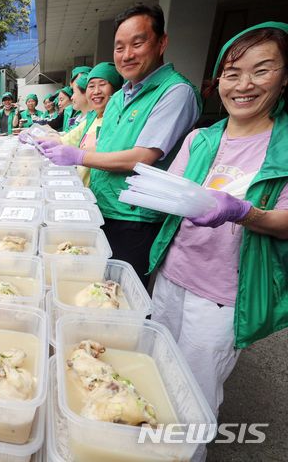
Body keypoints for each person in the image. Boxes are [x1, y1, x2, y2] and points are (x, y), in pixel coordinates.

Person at [148, 23, 288, 426]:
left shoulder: (282, 147)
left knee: (194, 395)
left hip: (222, 295)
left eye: (262, 70)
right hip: (172, 276)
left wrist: (244, 213)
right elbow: (170, 196)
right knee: (158, 373)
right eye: (232, 73)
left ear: (284, 78)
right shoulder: (199, 140)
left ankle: (187, 451)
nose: (244, 85)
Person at [41, 4, 201, 286]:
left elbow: (141, 157)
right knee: (93, 285)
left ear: (162, 43)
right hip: (101, 207)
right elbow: (105, 148)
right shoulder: (119, 96)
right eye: (119, 47)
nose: (127, 55)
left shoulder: (175, 92)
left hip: (135, 219)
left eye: (137, 44)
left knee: (120, 291)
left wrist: (77, 156)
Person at [41, 63, 123, 186]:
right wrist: (34, 138)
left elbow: (114, 154)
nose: (96, 91)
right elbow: (65, 140)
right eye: (91, 86)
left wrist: (79, 155)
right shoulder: (92, 118)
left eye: (102, 85)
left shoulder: (116, 119)